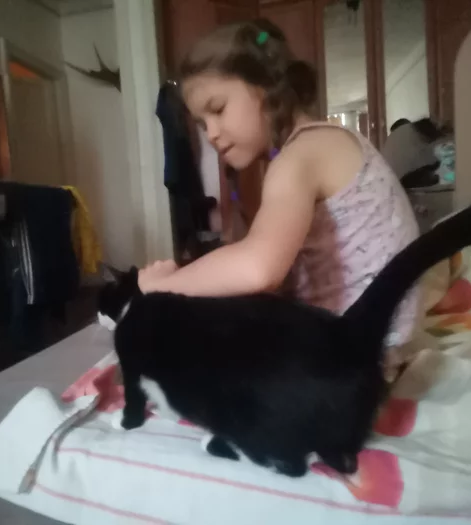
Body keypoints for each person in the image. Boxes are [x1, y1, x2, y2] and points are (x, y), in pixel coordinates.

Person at [140, 19, 421, 372]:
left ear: (265, 86)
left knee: (186, 348)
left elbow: (259, 268)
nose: (211, 134)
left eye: (218, 109)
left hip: (357, 352)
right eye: (201, 124)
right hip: (382, 339)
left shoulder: (301, 155)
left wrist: (165, 285)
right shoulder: (321, 143)